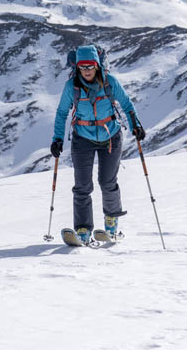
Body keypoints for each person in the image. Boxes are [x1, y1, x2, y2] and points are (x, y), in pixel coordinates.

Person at [50, 44, 145, 243]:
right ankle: (83, 230)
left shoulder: (110, 82)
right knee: (82, 185)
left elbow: (126, 104)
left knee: (107, 182)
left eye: (90, 66)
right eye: (82, 67)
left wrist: (136, 125)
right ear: (77, 67)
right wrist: (57, 138)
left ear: (97, 65)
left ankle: (111, 224)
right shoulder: (72, 86)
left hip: (111, 136)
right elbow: (61, 113)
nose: (86, 71)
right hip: (82, 137)